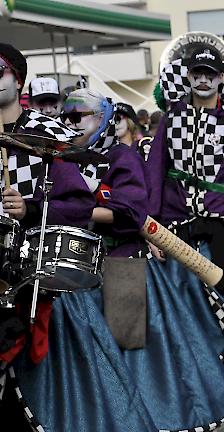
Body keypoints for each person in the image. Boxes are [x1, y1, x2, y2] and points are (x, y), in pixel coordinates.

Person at [11, 88, 224, 431]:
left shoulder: (121, 157)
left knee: (134, 357)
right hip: (78, 272)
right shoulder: (63, 158)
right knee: (92, 363)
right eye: (65, 117)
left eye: (78, 117)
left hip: (122, 265)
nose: (68, 123)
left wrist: (77, 210)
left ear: (103, 118)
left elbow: (132, 212)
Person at [147, 44, 224, 400]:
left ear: (221, 78)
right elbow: (155, 172)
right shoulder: (171, 117)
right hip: (177, 226)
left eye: (209, 74)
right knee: (183, 311)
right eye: (196, 73)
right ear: (187, 76)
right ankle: (197, 397)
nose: (202, 80)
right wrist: (153, 229)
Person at [0, 43, 95, 430]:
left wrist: (31, 209)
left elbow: (80, 206)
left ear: (17, 79)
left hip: (29, 270)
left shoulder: (46, 134)